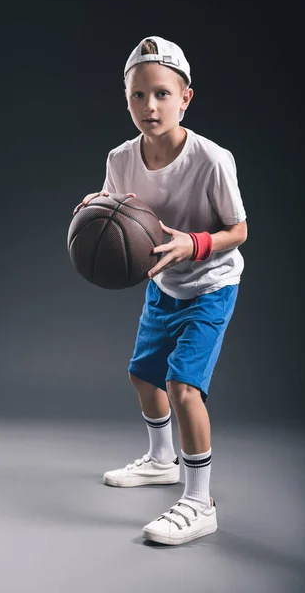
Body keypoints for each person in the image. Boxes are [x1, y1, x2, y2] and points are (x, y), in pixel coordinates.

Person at [72, 35, 247, 546]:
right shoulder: (121, 157)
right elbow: (115, 208)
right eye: (138, 96)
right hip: (162, 285)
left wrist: (191, 245)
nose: (150, 106)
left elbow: (238, 232)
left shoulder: (212, 160)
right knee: (143, 377)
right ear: (126, 99)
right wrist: (94, 210)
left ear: (185, 97)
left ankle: (199, 501)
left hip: (211, 285)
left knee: (182, 388)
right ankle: (161, 460)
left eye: (163, 94)